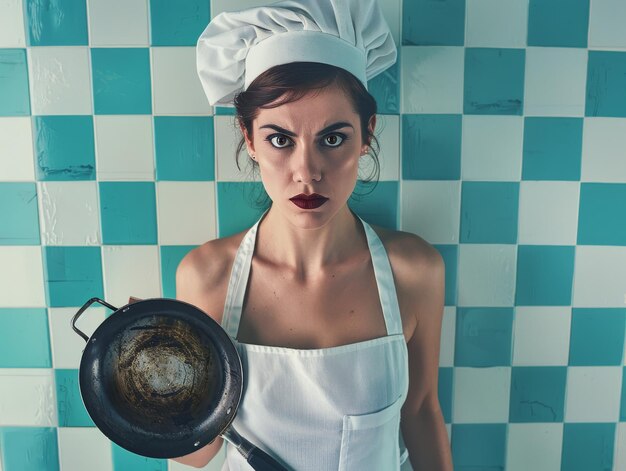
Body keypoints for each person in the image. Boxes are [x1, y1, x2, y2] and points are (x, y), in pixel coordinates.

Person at [172, 0, 453, 469]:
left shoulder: (415, 271)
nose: (307, 172)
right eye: (281, 139)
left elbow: (421, 411)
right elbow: (199, 454)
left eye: (333, 138)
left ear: (367, 134)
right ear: (249, 138)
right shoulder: (207, 277)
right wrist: (153, 353)